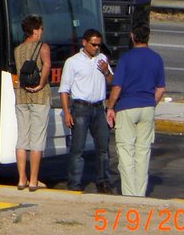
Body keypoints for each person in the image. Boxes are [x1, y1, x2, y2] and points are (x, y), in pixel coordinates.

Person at [106, 23, 166, 197]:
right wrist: (150, 104)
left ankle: (129, 193)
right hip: (147, 107)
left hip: (127, 107)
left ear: (132, 37)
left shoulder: (126, 58)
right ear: (148, 37)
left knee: (125, 150)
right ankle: (140, 193)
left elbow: (117, 87)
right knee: (143, 151)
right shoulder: (156, 58)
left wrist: (110, 107)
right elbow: (160, 89)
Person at [59, 29, 114, 193]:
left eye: (99, 45)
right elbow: (64, 90)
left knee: (103, 147)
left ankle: (103, 180)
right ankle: (74, 183)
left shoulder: (102, 59)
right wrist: (67, 112)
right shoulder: (73, 62)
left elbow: (112, 80)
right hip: (81, 107)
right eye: (93, 44)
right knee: (78, 149)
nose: (96, 48)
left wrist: (106, 71)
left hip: (99, 107)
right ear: (84, 43)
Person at [14, 14, 51, 191]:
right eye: (41, 28)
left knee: (22, 139)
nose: (42, 31)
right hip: (39, 98)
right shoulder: (43, 47)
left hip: (21, 97)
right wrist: (41, 84)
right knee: (36, 141)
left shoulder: (18, 49)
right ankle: (34, 180)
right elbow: (47, 65)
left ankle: (22, 179)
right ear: (35, 30)